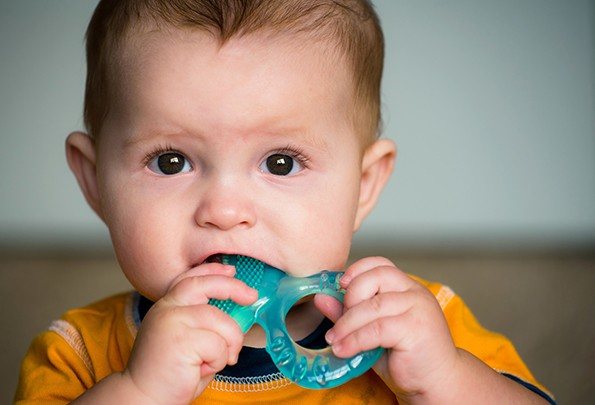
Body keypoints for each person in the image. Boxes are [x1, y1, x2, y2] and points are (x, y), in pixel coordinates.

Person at [15, 0, 555, 403]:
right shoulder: (81, 353)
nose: (226, 212)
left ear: (363, 186)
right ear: (94, 182)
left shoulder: (416, 327)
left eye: (281, 163)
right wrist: (138, 390)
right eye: (171, 161)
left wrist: (444, 379)